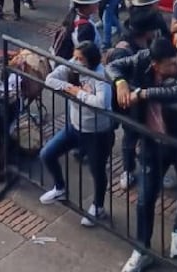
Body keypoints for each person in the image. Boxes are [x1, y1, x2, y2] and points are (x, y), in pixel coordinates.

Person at [108, 37, 177, 272]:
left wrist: (142, 94)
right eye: (170, 64)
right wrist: (120, 82)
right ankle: (142, 249)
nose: (176, 65)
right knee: (145, 198)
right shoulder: (142, 59)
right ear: (155, 65)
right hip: (152, 141)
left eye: (176, 59)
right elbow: (113, 65)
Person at [38, 41, 113, 227]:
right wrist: (69, 88)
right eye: (75, 57)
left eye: (80, 58)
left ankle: (98, 207)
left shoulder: (101, 76)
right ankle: (60, 188)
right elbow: (50, 79)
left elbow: (102, 102)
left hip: (97, 133)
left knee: (97, 171)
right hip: (74, 126)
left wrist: (78, 93)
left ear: (89, 60)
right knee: (47, 154)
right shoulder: (72, 65)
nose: (75, 61)